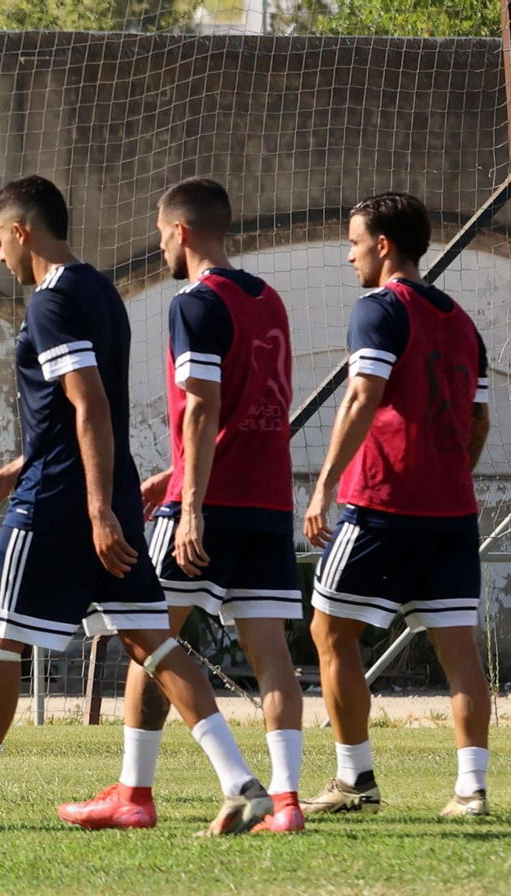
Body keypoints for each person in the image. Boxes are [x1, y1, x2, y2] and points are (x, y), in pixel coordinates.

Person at [0, 175, 271, 839]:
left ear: (22, 230)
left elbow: (89, 403)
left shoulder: (51, 301)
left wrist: (93, 511)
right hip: (104, 491)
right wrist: (14, 473)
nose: (0, 256)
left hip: (64, 505)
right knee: (154, 641)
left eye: (0, 240)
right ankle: (241, 784)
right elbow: (74, 415)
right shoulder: (103, 293)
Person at [57, 178, 305, 834]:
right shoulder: (269, 300)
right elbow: (248, 414)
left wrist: (187, 504)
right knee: (271, 652)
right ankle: (287, 803)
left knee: (147, 633)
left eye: (161, 232)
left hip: (211, 506)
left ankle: (135, 792)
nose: (159, 244)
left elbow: (202, 404)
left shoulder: (195, 302)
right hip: (268, 503)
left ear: (183, 231)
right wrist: (172, 477)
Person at [302, 191, 494, 818]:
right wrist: (449, 473)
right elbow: (479, 419)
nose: (349, 254)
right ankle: (471, 791)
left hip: (384, 504)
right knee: (459, 651)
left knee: (330, 629)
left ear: (383, 246)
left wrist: (326, 481)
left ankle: (355, 779)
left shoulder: (379, 307)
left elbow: (362, 397)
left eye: (354, 242)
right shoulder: (463, 320)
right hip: (453, 512)